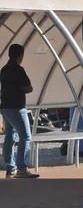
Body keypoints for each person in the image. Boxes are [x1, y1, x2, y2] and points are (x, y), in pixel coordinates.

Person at [1, 44, 39, 178]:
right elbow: (29, 87)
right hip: (17, 107)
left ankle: (10, 167)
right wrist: (21, 89)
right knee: (25, 136)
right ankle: (22, 167)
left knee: (10, 137)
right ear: (20, 56)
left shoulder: (4, 70)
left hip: (5, 107)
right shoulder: (19, 70)